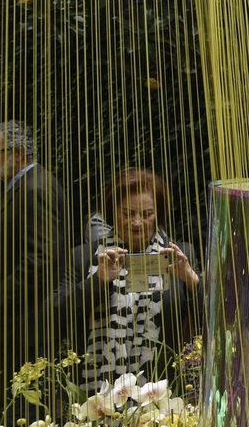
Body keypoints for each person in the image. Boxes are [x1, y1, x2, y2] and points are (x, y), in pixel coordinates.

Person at [59, 168, 201, 395]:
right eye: (127, 213)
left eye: (147, 214)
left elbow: (213, 318)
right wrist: (97, 282)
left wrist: (191, 279)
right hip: (96, 398)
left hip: (163, 395)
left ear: (159, 214)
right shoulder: (83, 257)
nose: (137, 223)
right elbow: (57, 317)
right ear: (113, 212)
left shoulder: (181, 254)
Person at [0, 121, 73, 401]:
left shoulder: (35, 189)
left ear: (19, 154)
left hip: (29, 321)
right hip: (22, 320)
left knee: (25, 412)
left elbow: (41, 258)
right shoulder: (22, 187)